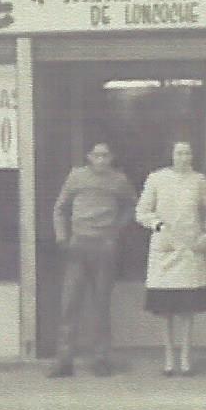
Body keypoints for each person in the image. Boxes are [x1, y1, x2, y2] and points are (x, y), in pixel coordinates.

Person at [48, 141, 138, 378]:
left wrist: (116, 229)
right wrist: (62, 237)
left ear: (111, 157)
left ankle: (100, 358)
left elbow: (132, 206)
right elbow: (59, 209)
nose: (101, 159)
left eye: (105, 155)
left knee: (101, 305)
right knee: (70, 304)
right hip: (78, 244)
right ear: (89, 157)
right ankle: (64, 361)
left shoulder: (119, 180)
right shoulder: (76, 177)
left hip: (105, 246)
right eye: (96, 155)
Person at [135, 141, 206, 376]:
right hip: (166, 248)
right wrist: (158, 226)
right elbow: (142, 212)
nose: (183, 157)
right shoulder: (156, 179)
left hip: (190, 249)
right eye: (179, 152)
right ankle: (169, 357)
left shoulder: (199, 181)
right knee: (166, 309)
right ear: (171, 155)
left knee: (187, 309)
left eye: (187, 152)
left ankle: (186, 357)